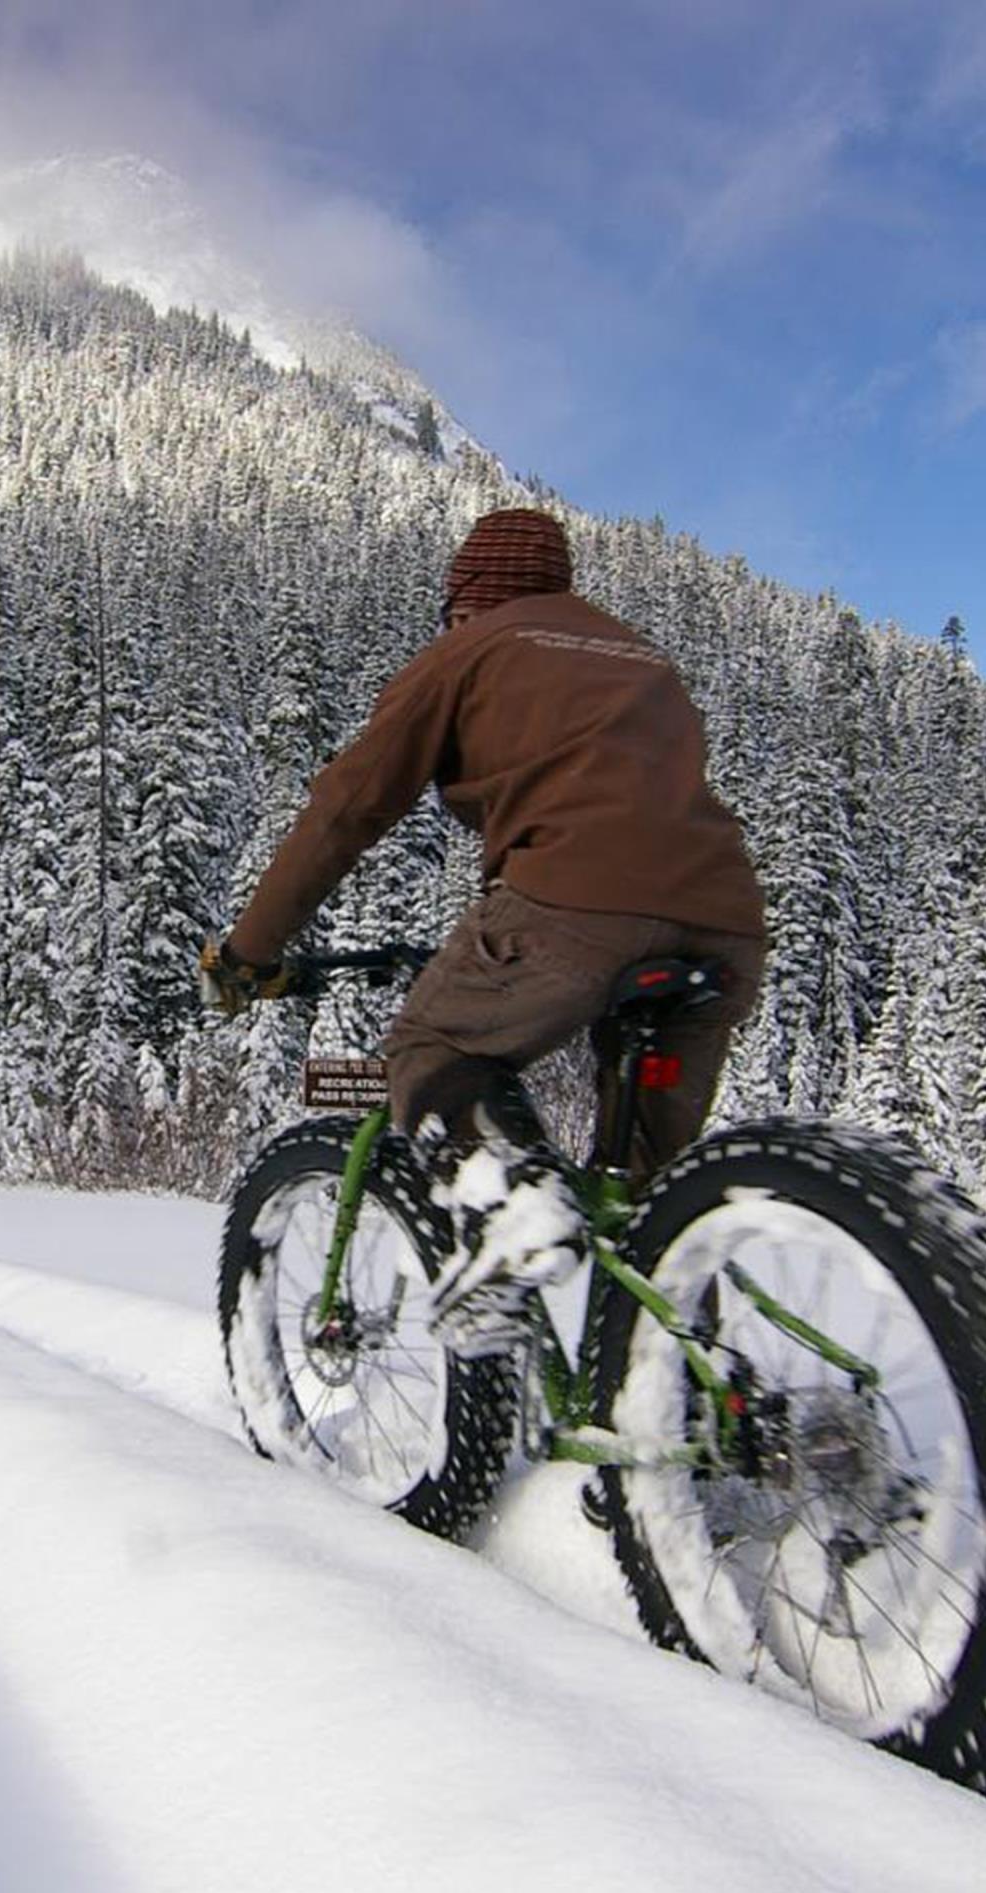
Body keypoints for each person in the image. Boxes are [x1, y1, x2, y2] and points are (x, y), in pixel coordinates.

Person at [201, 506, 767, 1352]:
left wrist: (248, 953)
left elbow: (348, 808)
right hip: (727, 924)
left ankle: (513, 1208)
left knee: (432, 1049)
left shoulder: (469, 648)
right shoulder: (643, 657)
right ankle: (687, 1420)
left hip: (573, 908)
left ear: (466, 596)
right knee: (657, 1199)